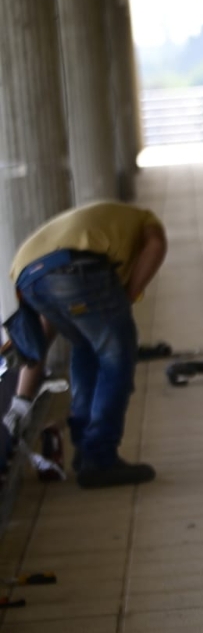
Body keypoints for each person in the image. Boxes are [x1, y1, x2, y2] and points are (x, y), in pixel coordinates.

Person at [4, 202, 167, 488]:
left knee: (85, 345)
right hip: (77, 267)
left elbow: (41, 338)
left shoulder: (99, 224)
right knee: (117, 355)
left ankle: (85, 449)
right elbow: (156, 245)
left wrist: (20, 403)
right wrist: (126, 299)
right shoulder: (147, 221)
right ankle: (100, 457)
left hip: (28, 275)